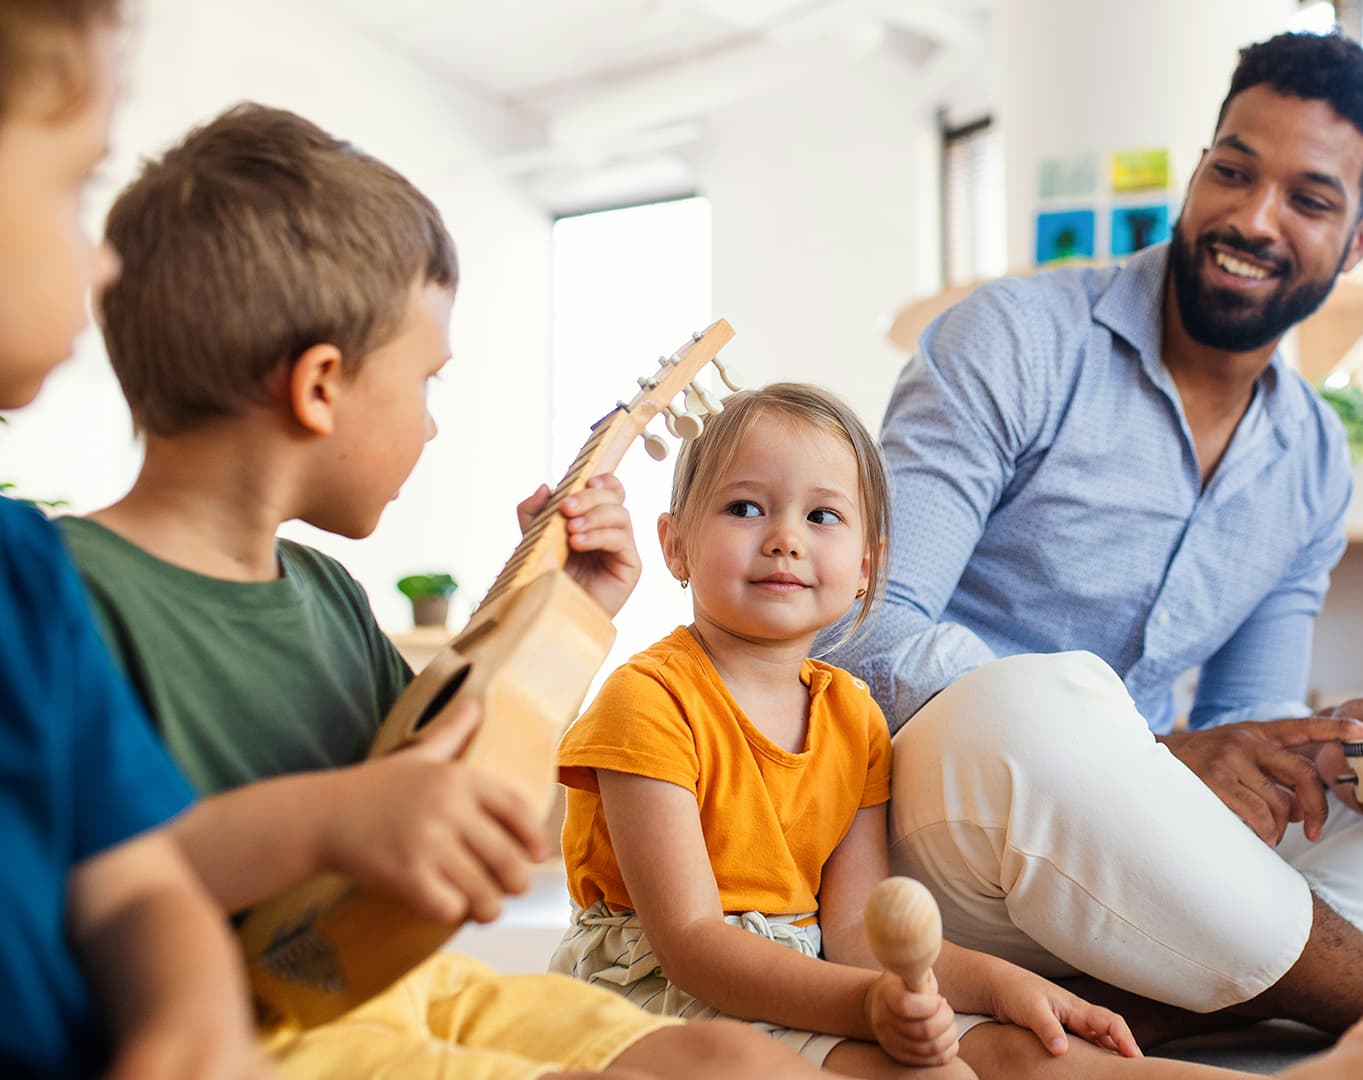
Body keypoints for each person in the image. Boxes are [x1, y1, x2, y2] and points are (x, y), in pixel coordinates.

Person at [834, 30, 1363, 1049]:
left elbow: (1251, 721)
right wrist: (1147, 757)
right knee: (1034, 701)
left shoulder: (1313, 460)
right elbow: (865, 633)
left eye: (1308, 198)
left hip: (1148, 865)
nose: (1252, 218)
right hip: (954, 829)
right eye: (1235, 173)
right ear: (1201, 169)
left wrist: (1332, 760)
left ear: (1358, 239)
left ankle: (1168, 996)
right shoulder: (1016, 339)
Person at [61, 102, 823, 1079]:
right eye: (427, 382)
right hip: (239, 1030)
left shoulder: (328, 594)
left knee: (734, 1059)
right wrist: (338, 818)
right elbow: (76, 879)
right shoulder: (68, 598)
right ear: (320, 386)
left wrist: (575, 609)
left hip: (398, 987)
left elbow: (448, 768)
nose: (431, 429)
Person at [553, 383, 1363, 1080]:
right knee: (817, 1069)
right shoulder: (648, 702)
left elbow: (852, 930)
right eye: (744, 507)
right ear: (676, 542)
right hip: (662, 1007)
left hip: (803, 980)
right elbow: (689, 945)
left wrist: (1002, 987)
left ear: (866, 570)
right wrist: (873, 1008)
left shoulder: (851, 717)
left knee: (1026, 1050)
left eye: (822, 515)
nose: (785, 537)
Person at [0, 3, 267, 1075]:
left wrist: (190, 1022)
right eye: (74, 185)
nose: (102, 265)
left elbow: (139, 883)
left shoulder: (24, 575)